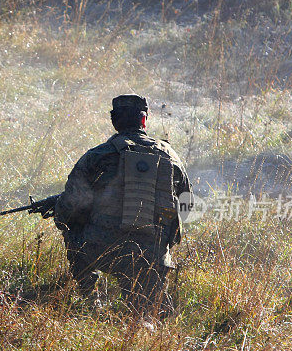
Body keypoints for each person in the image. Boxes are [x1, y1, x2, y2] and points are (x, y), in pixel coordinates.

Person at [54, 94, 192, 315]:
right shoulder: (171, 157)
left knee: (71, 232)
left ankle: (91, 301)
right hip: (153, 257)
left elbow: (70, 207)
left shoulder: (96, 156)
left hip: (103, 252)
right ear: (144, 121)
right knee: (148, 313)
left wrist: (61, 214)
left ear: (114, 121)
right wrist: (164, 241)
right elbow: (186, 207)